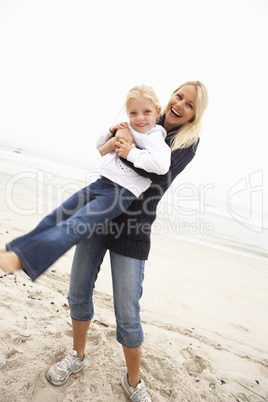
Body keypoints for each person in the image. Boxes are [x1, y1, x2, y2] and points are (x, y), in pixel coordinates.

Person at [44, 81, 209, 402]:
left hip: (134, 226)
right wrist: (119, 140)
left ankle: (133, 381)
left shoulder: (187, 141)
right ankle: (77, 357)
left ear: (193, 114)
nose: (180, 105)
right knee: (78, 291)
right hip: (100, 211)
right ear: (169, 98)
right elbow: (105, 150)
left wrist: (127, 148)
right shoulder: (143, 117)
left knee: (127, 311)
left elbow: (160, 176)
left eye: (189, 105)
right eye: (179, 97)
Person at [0, 85, 171, 280]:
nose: (140, 118)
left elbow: (161, 165)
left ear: (157, 112)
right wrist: (111, 131)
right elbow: (100, 146)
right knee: (56, 217)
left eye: (146, 112)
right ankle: (13, 250)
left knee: (74, 226)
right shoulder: (128, 128)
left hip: (119, 194)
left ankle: (24, 259)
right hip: (100, 184)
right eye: (134, 112)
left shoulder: (155, 137)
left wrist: (131, 152)